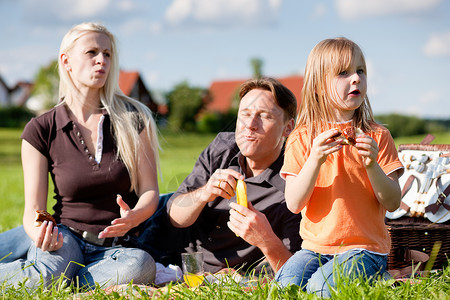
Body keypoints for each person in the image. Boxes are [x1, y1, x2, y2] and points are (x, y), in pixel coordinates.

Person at [0, 22, 160, 290]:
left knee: (141, 266)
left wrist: (136, 216)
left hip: (117, 250)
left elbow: (150, 191)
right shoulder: (41, 129)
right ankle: (64, 280)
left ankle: (63, 283)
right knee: (51, 273)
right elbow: (33, 209)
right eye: (92, 52)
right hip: (66, 239)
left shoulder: (134, 119)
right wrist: (40, 233)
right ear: (67, 61)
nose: (102, 61)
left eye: (107, 54)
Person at [274, 37, 404, 297]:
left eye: (360, 71)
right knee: (284, 287)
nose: (355, 78)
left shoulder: (377, 136)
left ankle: (378, 273)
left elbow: (393, 202)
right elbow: (294, 203)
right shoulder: (302, 137)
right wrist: (315, 159)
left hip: (365, 248)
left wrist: (371, 165)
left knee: (321, 288)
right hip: (314, 248)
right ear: (319, 86)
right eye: (343, 73)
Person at [135, 77, 302, 275]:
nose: (250, 124)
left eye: (264, 116)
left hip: (211, 274)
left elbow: (295, 272)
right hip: (165, 248)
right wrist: (203, 193)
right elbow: (174, 217)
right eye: (245, 114)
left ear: (288, 127)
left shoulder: (295, 183)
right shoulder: (223, 148)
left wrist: (265, 240)